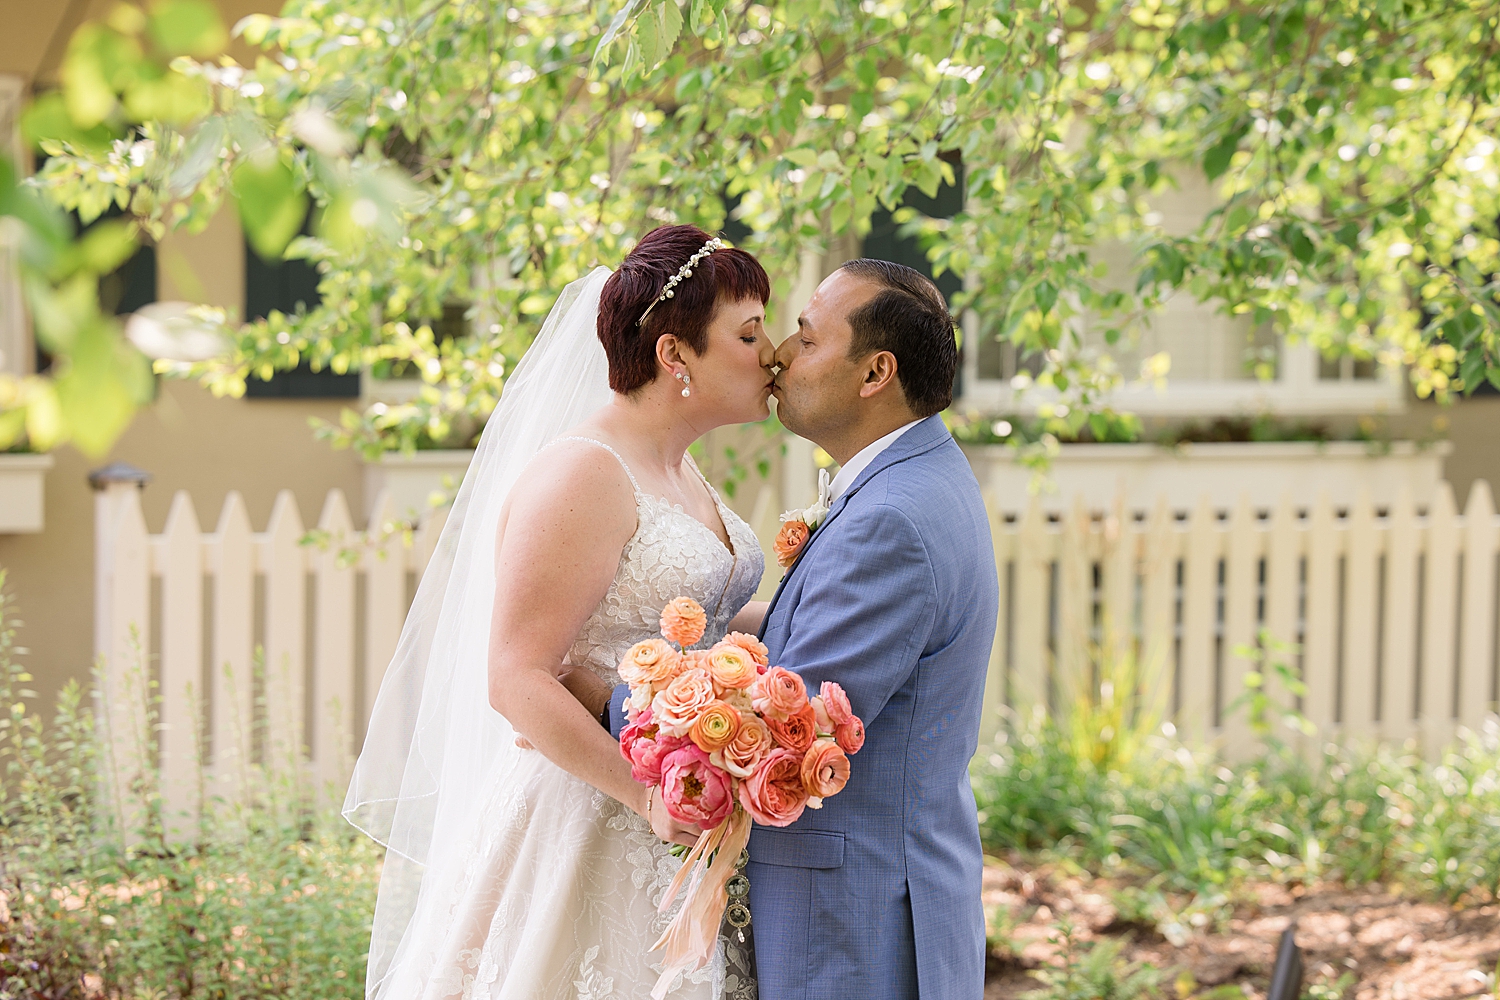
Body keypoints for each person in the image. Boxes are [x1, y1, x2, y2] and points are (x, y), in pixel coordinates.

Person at [343, 225, 773, 999]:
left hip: (687, 820)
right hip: (590, 817)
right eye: (747, 334)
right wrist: (646, 795)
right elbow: (516, 676)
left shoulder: (678, 469)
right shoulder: (583, 471)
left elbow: (691, 628)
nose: (770, 353)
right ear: (675, 355)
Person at [570, 259, 1000, 999]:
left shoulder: (891, 516)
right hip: (876, 893)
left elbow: (783, 724)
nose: (780, 354)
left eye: (805, 337)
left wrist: (601, 692)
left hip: (854, 918)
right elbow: (834, 640)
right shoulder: (919, 479)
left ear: (875, 374)